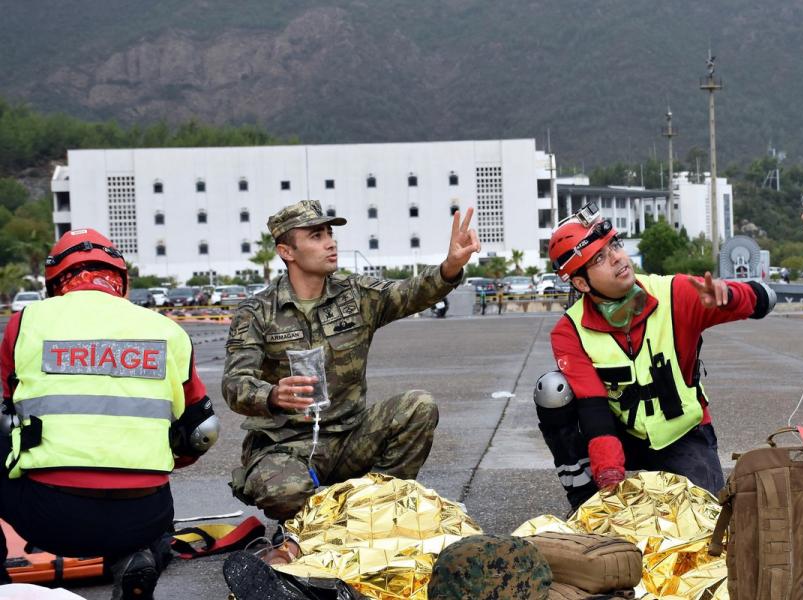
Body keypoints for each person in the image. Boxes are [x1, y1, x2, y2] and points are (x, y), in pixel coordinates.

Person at [222, 200, 478, 536]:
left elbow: (411, 292)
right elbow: (234, 382)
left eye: (330, 233)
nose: (330, 242)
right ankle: (322, 523)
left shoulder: (356, 295)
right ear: (287, 251)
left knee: (418, 407)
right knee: (284, 491)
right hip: (287, 445)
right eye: (316, 236)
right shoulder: (257, 312)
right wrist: (270, 395)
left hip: (351, 437)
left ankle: (377, 507)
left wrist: (449, 267)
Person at [0, 228, 216, 599]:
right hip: (144, 516)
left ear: (54, 282)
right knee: (153, 479)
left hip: (50, 517)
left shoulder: (26, 322)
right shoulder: (168, 330)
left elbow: (9, 412)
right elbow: (202, 432)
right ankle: (141, 554)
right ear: (122, 280)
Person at [535, 203, 776, 509]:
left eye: (615, 246)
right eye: (600, 257)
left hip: (683, 434)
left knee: (708, 520)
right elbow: (594, 412)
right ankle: (583, 498)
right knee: (552, 390)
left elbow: (766, 299)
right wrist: (609, 488)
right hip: (620, 434)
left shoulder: (676, 293)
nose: (618, 258)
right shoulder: (569, 331)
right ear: (581, 283)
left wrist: (730, 298)